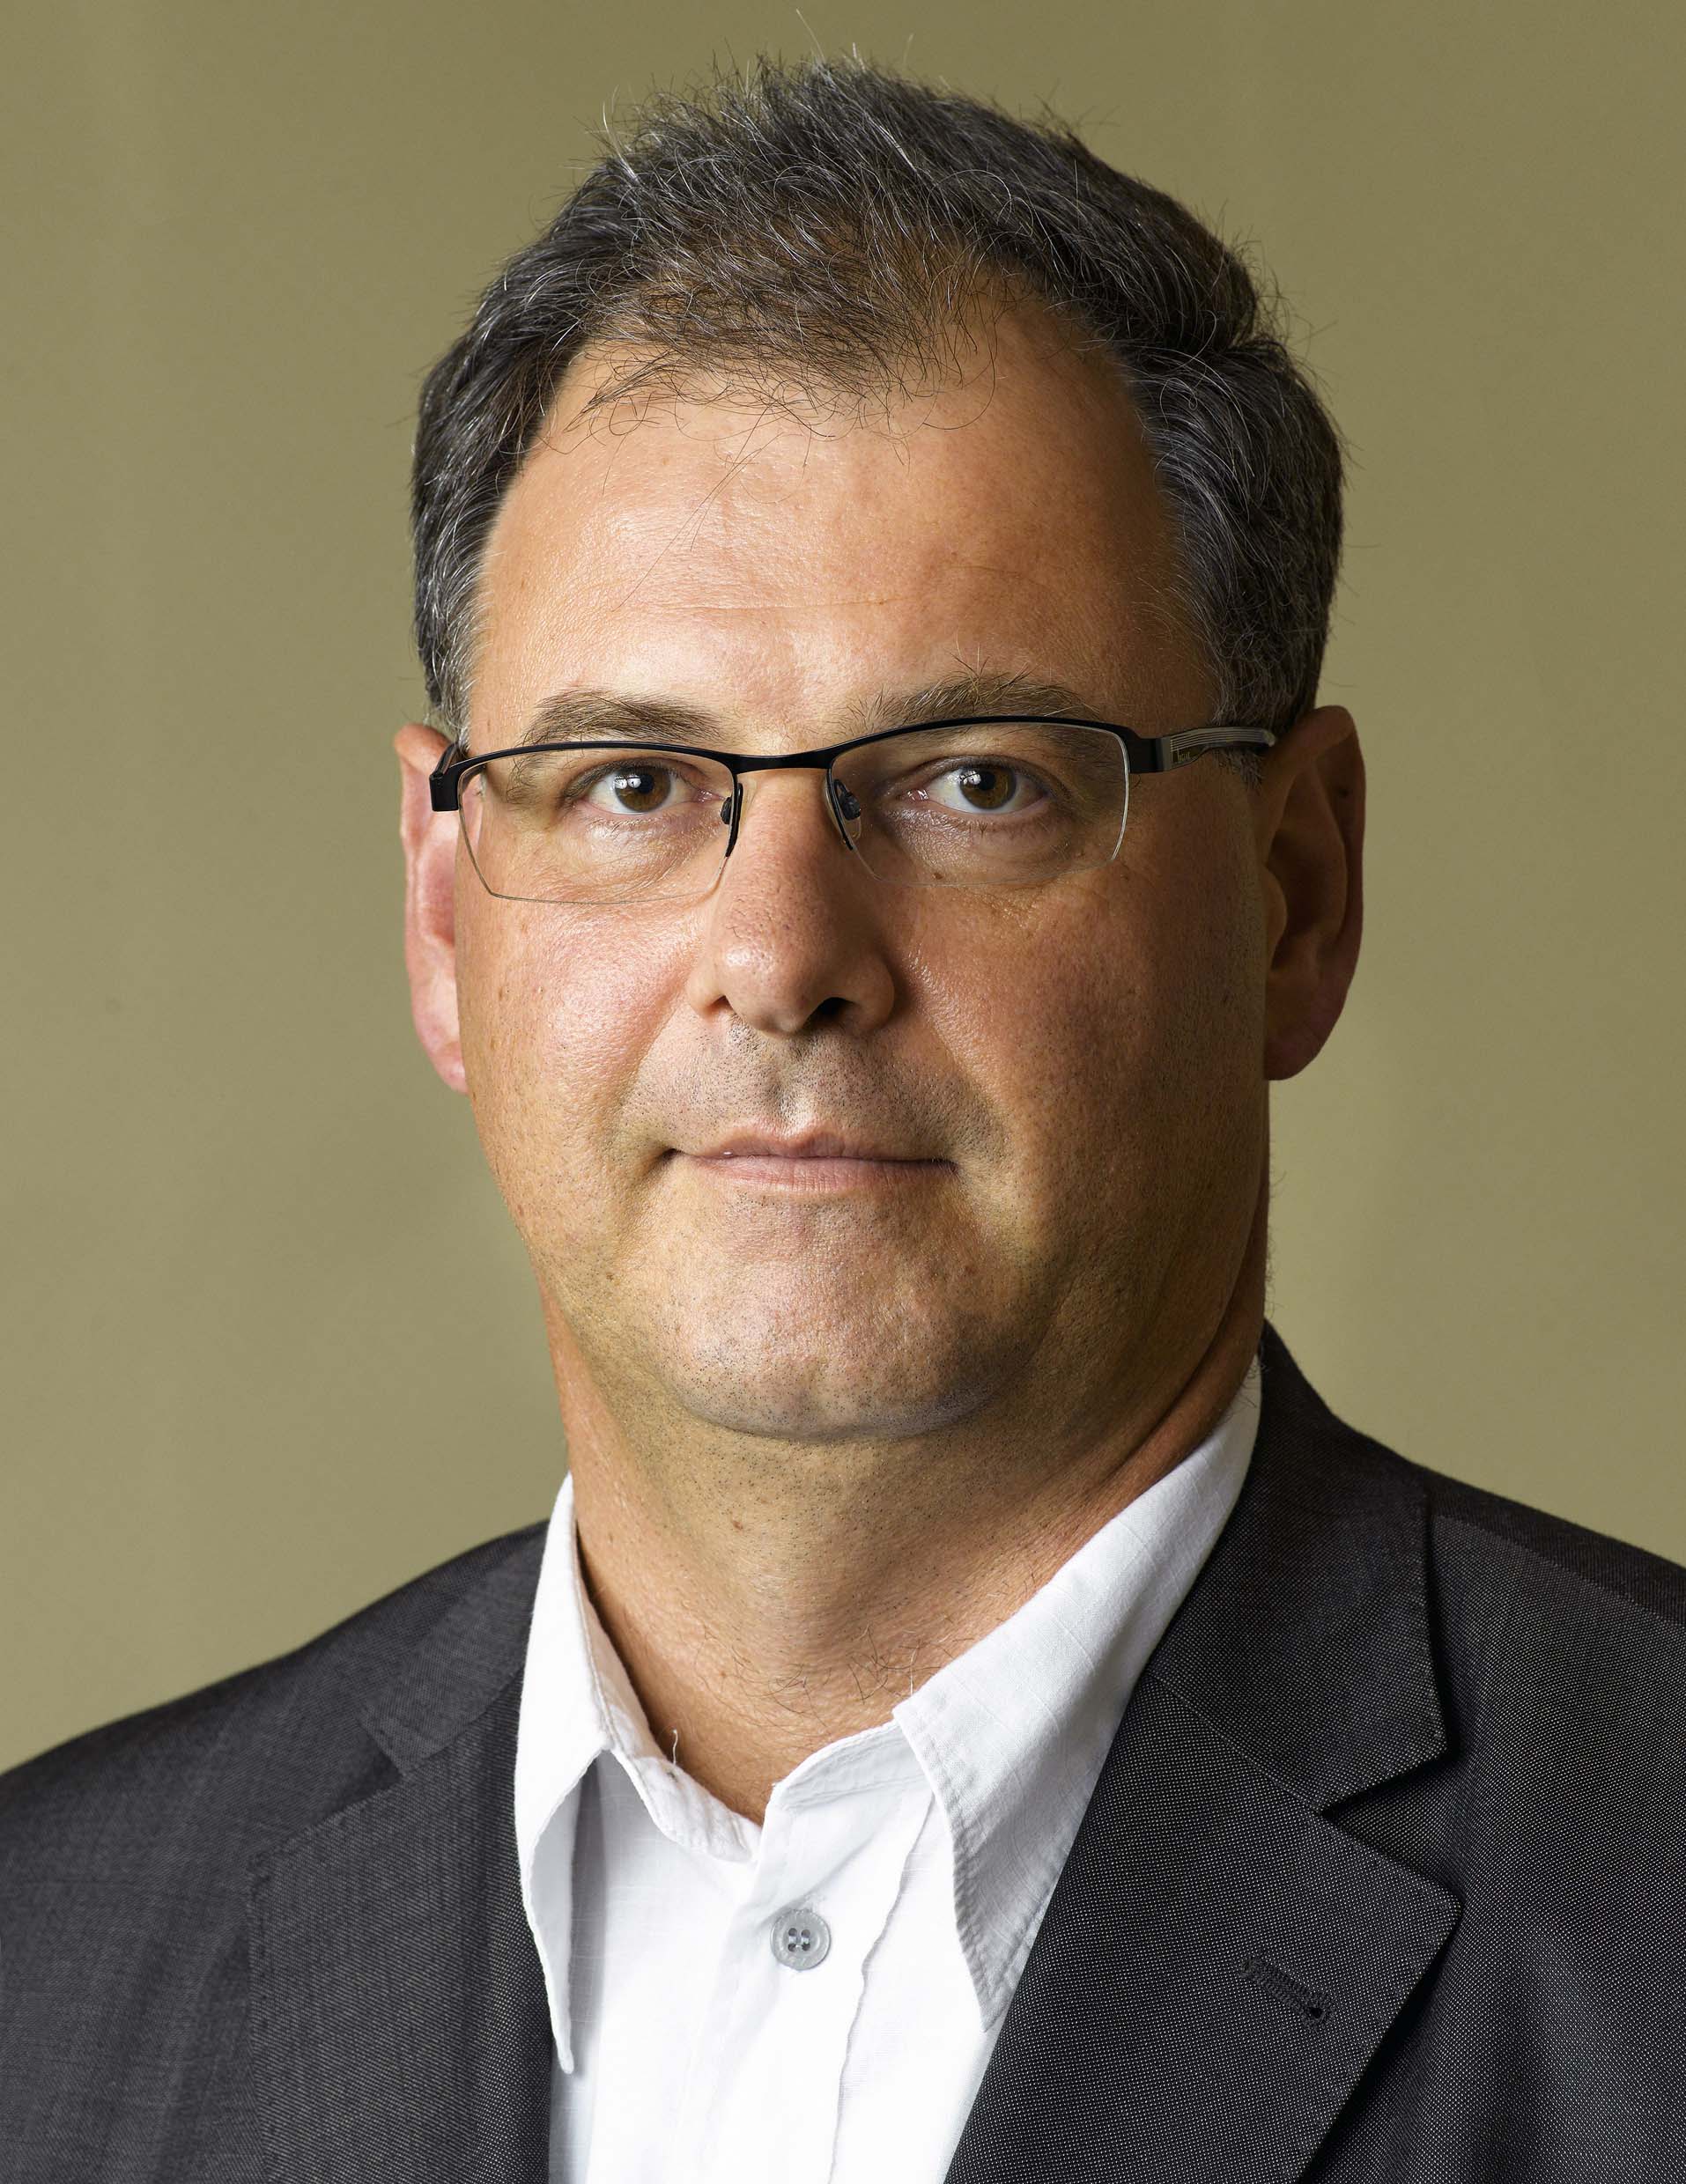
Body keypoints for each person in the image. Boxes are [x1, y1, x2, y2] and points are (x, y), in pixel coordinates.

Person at [4, 50, 1684, 2183]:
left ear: (1295, 893)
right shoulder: (44, 1969)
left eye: (979, 781)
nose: (781, 953)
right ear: (442, 916)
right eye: (630, 783)